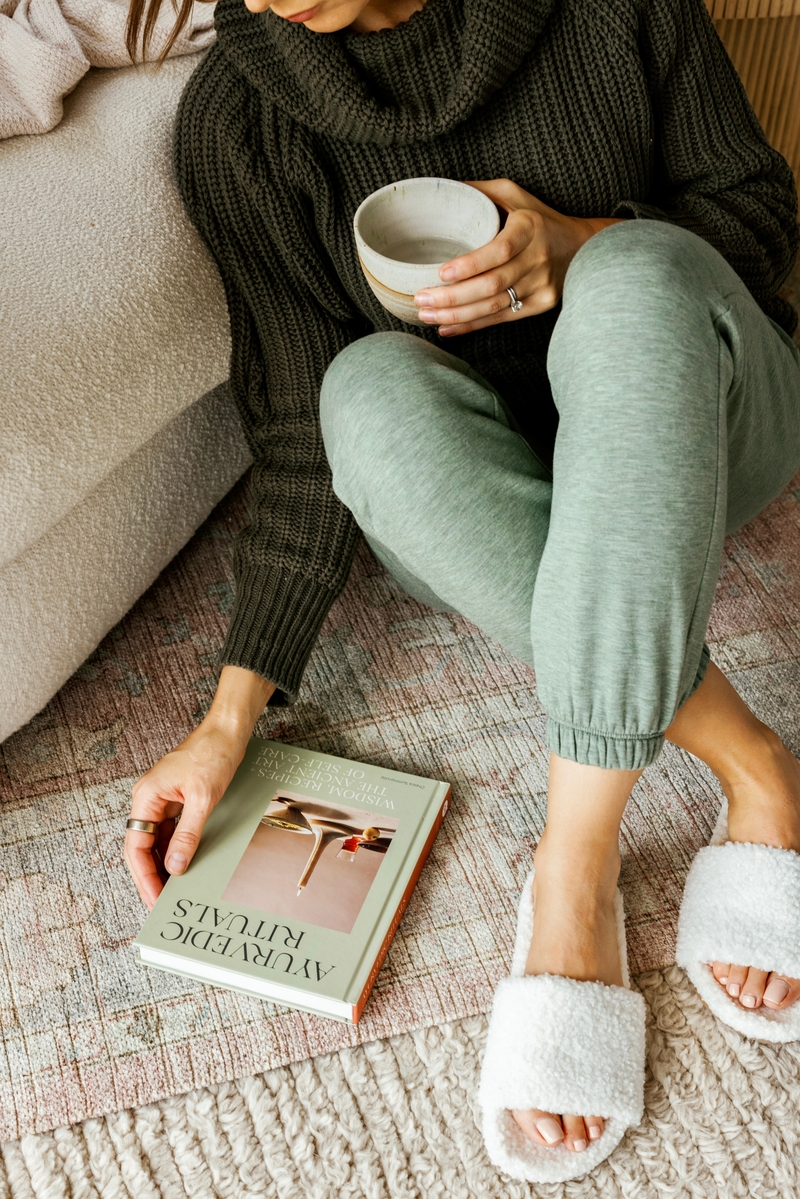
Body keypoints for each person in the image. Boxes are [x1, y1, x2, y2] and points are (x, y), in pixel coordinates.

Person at [122, 0, 800, 1181]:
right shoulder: (237, 120)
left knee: (637, 273)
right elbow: (294, 436)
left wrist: (581, 243)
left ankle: (573, 868)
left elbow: (754, 217)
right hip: (488, 497)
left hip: (699, 428)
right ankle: (749, 759)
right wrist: (228, 716)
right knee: (358, 393)